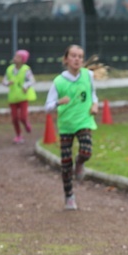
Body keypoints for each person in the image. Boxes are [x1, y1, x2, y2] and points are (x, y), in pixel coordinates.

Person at [44, 45, 99, 211]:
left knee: (86, 151)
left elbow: (93, 93)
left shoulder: (88, 75)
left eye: (80, 57)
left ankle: (80, 163)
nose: (77, 59)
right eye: (73, 56)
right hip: (66, 125)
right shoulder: (58, 82)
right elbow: (47, 107)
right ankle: (69, 196)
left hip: (84, 121)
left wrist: (95, 104)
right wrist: (58, 102)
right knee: (65, 163)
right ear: (66, 59)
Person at [3, 49, 36, 144]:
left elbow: (32, 80)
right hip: (13, 97)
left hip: (23, 97)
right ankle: (18, 135)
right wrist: (7, 83)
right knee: (14, 118)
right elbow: (4, 80)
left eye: (18, 57)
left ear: (23, 60)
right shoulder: (9, 69)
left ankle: (26, 124)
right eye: (15, 56)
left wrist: (26, 86)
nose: (15, 58)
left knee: (23, 117)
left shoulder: (26, 69)